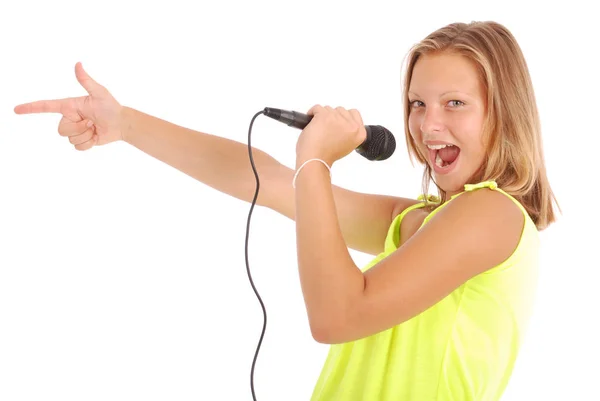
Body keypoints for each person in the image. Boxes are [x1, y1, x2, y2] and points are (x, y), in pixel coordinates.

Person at [14, 20, 559, 401]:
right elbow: (266, 178)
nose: (427, 123)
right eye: (418, 102)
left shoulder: (493, 215)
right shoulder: (419, 221)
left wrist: (316, 162)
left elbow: (337, 315)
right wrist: (126, 124)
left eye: (454, 103)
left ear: (503, 113)